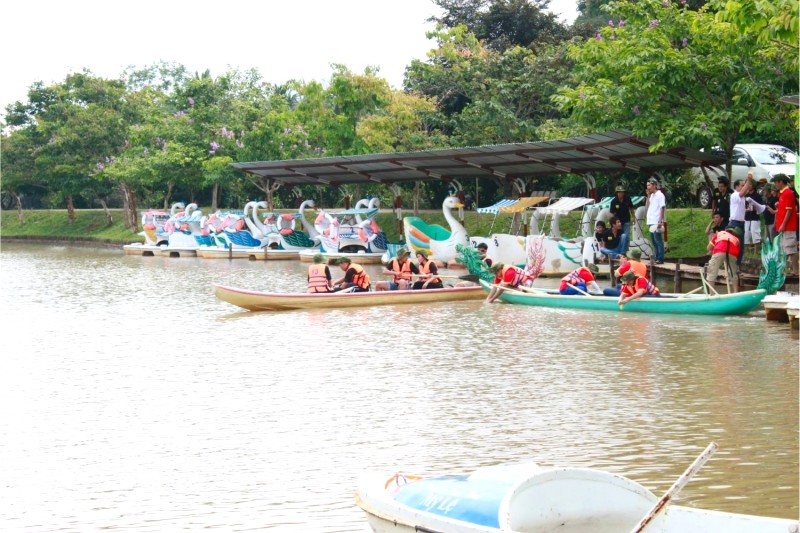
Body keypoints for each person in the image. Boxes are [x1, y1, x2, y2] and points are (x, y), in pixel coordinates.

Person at [727, 172, 755, 266]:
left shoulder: (742, 197)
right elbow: (743, 192)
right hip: (735, 224)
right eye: (742, 185)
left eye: (744, 185)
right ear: (736, 187)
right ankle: (733, 266)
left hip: (740, 223)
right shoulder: (735, 195)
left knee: (740, 247)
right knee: (736, 246)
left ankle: (736, 266)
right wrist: (749, 181)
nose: (744, 187)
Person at [772, 173, 799, 274]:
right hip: (784, 226)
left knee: (791, 249)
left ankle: (796, 270)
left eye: (776, 182)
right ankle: (788, 269)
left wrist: (783, 224)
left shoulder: (787, 193)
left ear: (781, 182)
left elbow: (789, 210)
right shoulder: (782, 193)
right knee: (784, 249)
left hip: (788, 226)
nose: (775, 184)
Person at [704, 226, 742, 292]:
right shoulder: (737, 239)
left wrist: (715, 246)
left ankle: (711, 294)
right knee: (733, 273)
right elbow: (737, 253)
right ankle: (736, 292)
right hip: (732, 253)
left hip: (719, 250)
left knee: (712, 271)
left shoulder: (719, 233)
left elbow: (708, 248)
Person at [645, 177, 666, 264]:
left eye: (649, 185)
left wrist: (660, 221)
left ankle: (660, 258)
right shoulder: (652, 195)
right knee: (654, 240)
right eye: (647, 185)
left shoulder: (660, 195)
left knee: (658, 239)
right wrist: (648, 195)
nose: (648, 187)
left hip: (656, 220)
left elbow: (662, 207)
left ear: (654, 185)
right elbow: (647, 206)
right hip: (651, 220)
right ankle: (657, 256)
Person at [744, 186, 764, 255]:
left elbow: (761, 207)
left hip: (755, 217)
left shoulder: (757, 196)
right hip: (747, 217)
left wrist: (755, 207)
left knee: (755, 234)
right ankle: (747, 252)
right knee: (746, 234)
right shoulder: (746, 195)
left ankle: (756, 252)